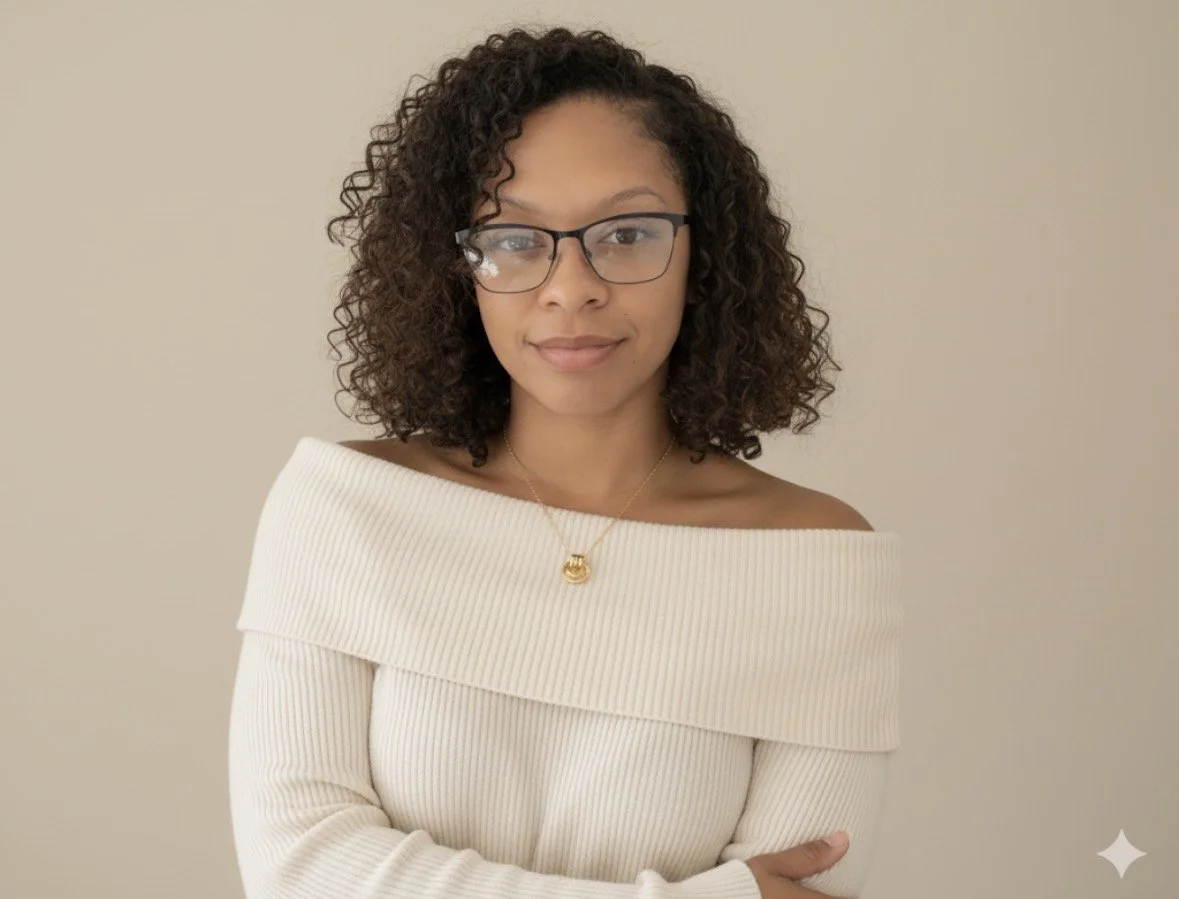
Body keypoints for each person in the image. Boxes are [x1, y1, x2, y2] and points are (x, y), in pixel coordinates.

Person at [228, 24, 902, 899]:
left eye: (626, 233)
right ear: (454, 268)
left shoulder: (818, 559)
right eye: (512, 239)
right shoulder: (344, 510)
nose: (570, 285)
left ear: (703, 255)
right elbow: (298, 872)